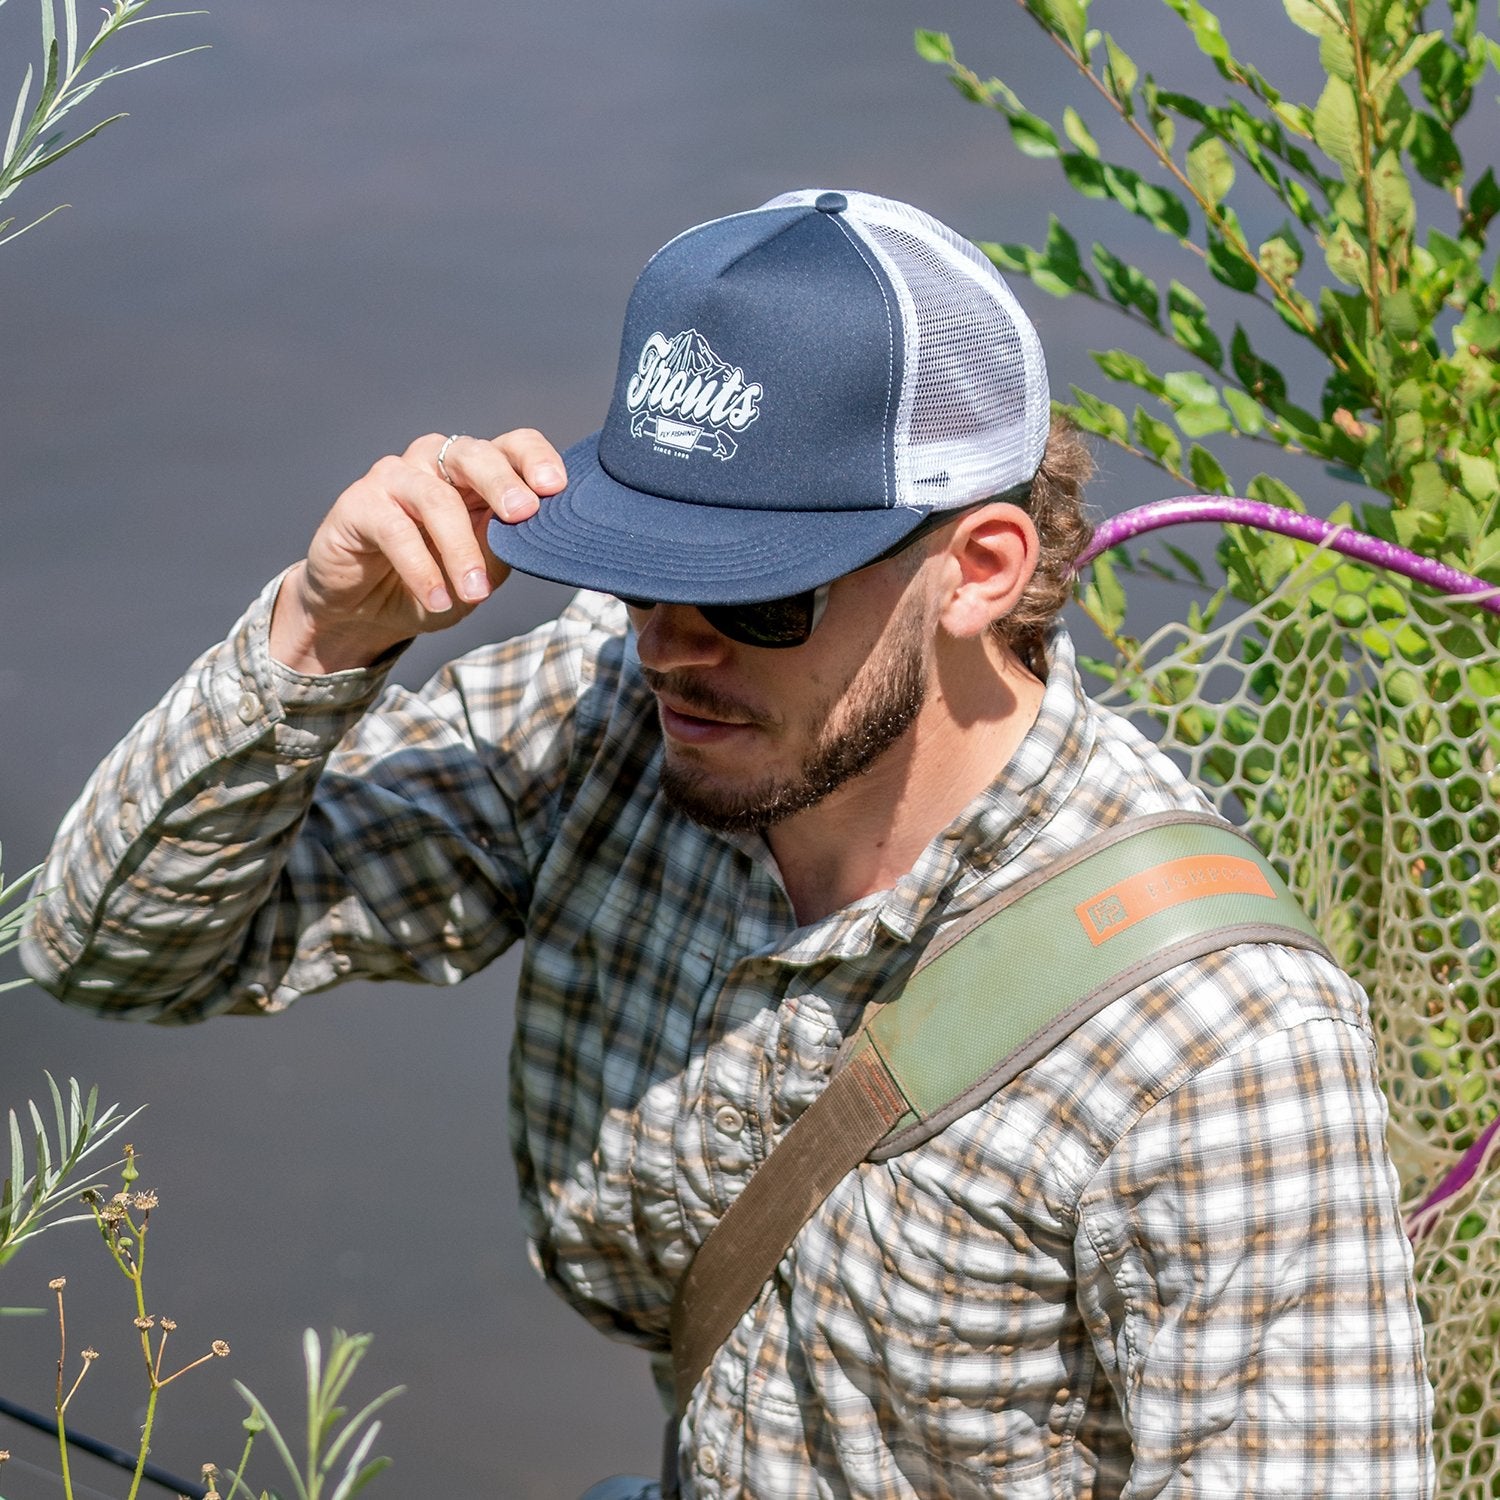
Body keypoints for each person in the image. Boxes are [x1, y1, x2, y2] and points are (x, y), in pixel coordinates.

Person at [23, 189, 1432, 1498]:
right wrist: (324, 640)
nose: (670, 645)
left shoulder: (1217, 1042)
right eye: (645, 562)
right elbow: (114, 952)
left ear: (981, 569)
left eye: (756, 595)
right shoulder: (609, 713)